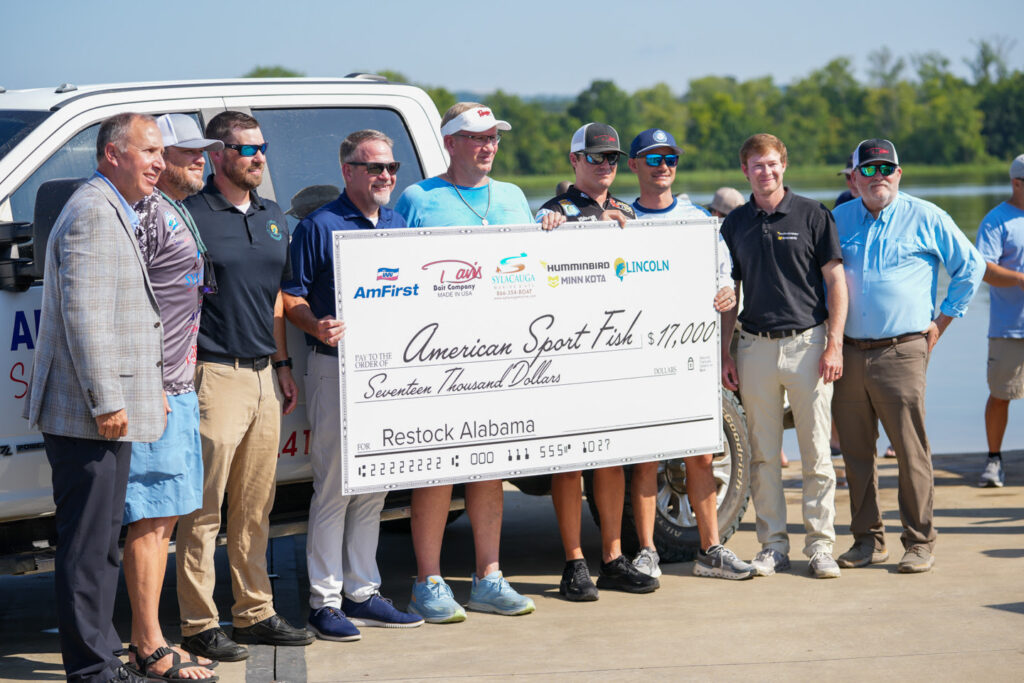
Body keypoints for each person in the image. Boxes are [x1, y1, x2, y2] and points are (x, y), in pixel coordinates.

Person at [394, 102, 556, 622]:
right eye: (477, 137)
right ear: (450, 142)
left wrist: (553, 227)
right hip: (438, 356)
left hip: (501, 356)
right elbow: (390, 270)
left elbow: (533, 267)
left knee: (489, 467)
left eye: (493, 138)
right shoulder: (418, 198)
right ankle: (428, 582)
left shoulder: (512, 197)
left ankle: (489, 577)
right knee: (437, 469)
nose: (488, 146)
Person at [23, 112, 167, 683]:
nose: (159, 162)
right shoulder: (93, 212)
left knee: (102, 543)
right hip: (88, 415)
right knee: (87, 548)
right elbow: (86, 318)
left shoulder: (110, 208)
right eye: (149, 151)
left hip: (100, 413)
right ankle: (91, 671)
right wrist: (108, 400)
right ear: (112, 153)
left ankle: (104, 658)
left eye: (161, 152)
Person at [176, 111, 312, 661]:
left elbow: (276, 297)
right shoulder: (191, 214)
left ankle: (255, 612)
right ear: (218, 154)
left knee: (256, 506)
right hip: (213, 375)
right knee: (204, 508)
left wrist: (282, 364)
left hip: (262, 377)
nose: (259, 158)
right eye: (247, 149)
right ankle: (198, 623)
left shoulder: (272, 214)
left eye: (262, 148)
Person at [283, 130, 424, 640]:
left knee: (375, 486)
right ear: (348, 171)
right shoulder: (319, 226)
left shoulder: (397, 224)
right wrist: (315, 324)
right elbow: (291, 297)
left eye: (391, 167)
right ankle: (324, 602)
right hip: (336, 367)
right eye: (374, 168)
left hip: (389, 373)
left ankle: (363, 593)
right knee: (335, 487)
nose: (385, 176)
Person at [832, 139, 984, 573]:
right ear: (855, 177)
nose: (878, 176)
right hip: (847, 352)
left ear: (899, 173)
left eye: (886, 168)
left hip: (903, 350)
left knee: (909, 449)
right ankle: (867, 540)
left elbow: (971, 267)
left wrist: (942, 321)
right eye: (869, 169)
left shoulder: (927, 216)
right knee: (856, 453)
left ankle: (919, 541)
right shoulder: (837, 219)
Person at [534, 122, 659, 600]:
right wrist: (574, 229)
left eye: (611, 158)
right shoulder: (552, 212)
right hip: (566, 355)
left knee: (611, 459)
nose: (605, 165)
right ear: (574, 161)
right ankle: (574, 564)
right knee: (568, 463)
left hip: (615, 353)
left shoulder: (628, 212)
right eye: (595, 157)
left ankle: (612, 558)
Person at [625, 128, 754, 581]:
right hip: (641, 360)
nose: (663, 167)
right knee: (647, 459)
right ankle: (646, 551)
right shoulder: (620, 220)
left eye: (670, 159)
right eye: (653, 158)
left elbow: (724, 283)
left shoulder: (699, 220)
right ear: (633, 165)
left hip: (689, 358)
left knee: (700, 457)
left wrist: (725, 301)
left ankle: (711, 549)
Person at [720, 133, 848, 580]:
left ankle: (821, 546)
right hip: (754, 347)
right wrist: (725, 353)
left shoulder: (813, 214)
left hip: (808, 345)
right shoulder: (734, 223)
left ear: (784, 166)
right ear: (745, 170)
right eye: (757, 165)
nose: (766, 172)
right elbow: (729, 293)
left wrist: (834, 343)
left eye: (772, 163)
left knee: (816, 454)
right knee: (762, 456)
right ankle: (773, 546)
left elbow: (836, 282)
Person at [122, 114, 222, 681]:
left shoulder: (176, 209)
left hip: (180, 384)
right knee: (151, 516)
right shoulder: (145, 214)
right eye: (186, 153)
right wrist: (150, 382)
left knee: (168, 515)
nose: (198, 160)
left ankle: (153, 638)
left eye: (201, 152)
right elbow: (129, 300)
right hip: (157, 387)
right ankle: (148, 645)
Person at [976, 154, 1024, 488]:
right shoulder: (997, 221)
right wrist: (1020, 279)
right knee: (1001, 394)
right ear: (1016, 183)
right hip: (1010, 328)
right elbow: (985, 269)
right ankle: (994, 459)